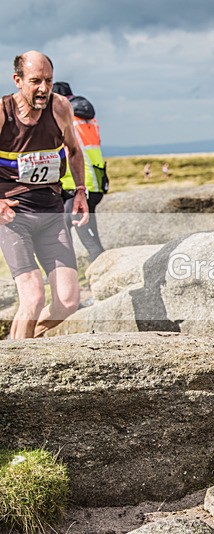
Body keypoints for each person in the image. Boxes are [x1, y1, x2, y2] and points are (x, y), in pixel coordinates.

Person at [0, 51, 89, 338]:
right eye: (35, 81)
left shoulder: (61, 107)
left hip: (51, 213)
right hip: (14, 216)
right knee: (34, 298)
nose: (43, 89)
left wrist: (79, 191)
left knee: (68, 302)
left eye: (48, 81)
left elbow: (74, 150)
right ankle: (13, 370)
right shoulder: (2, 113)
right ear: (18, 80)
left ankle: (19, 348)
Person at [52, 82, 107, 262]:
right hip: (96, 180)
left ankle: (94, 270)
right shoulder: (90, 120)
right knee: (77, 225)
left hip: (76, 182)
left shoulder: (64, 116)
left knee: (78, 228)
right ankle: (63, 267)